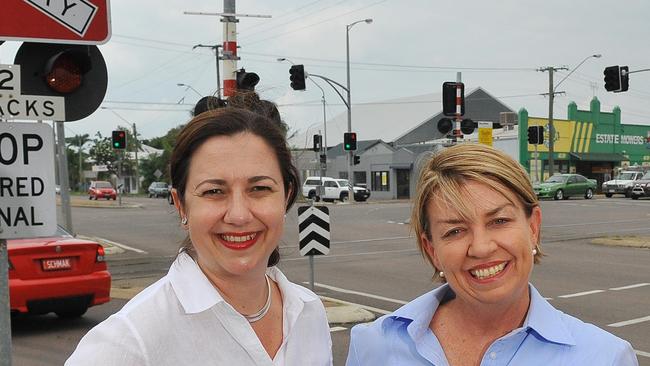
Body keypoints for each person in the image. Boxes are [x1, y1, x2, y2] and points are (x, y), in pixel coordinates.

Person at [67, 108, 333, 365]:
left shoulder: (309, 312)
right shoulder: (130, 340)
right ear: (181, 205)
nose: (239, 215)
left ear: (285, 197)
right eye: (214, 192)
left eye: (260, 188)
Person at [346, 143, 638, 366]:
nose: (482, 247)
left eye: (499, 221)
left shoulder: (604, 357)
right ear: (432, 250)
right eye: (455, 231)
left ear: (533, 227)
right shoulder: (373, 346)